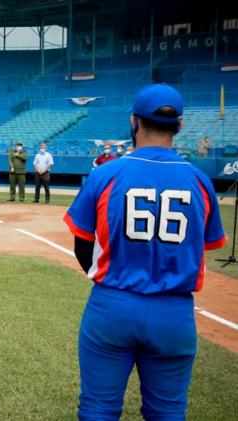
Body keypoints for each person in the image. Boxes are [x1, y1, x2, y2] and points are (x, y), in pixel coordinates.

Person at [64, 84, 227, 421]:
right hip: (174, 312)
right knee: (167, 413)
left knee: (97, 409)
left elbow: (83, 245)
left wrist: (113, 281)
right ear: (179, 126)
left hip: (112, 307)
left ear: (134, 122)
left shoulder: (106, 174)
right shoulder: (199, 181)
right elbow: (205, 248)